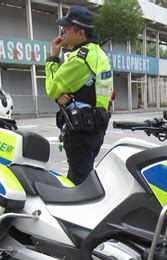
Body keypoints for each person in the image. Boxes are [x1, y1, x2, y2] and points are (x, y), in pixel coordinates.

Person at [45, 5, 113, 186]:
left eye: (66, 29)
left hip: (81, 132)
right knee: (83, 176)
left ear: (80, 33)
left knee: (79, 186)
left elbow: (52, 88)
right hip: (96, 127)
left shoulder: (80, 59)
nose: (63, 33)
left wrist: (52, 58)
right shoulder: (98, 54)